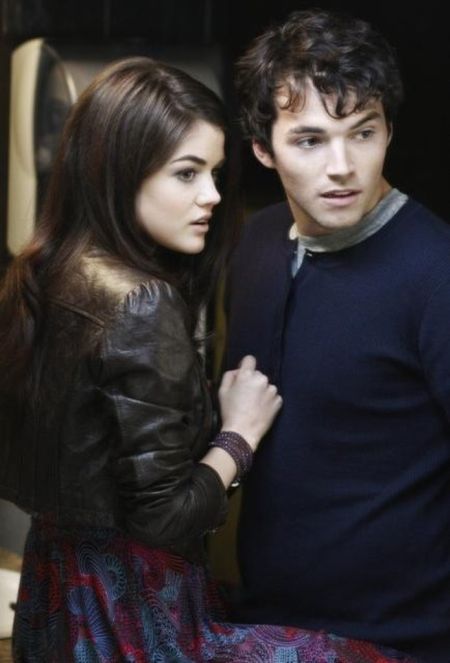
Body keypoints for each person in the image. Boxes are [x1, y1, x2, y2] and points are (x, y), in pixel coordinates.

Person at [0, 56, 414, 662]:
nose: (213, 196)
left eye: (215, 173)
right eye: (187, 174)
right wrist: (238, 435)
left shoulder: (40, 273)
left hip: (55, 598)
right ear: (118, 171)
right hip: (132, 620)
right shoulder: (141, 301)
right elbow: (165, 518)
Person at [225, 8, 450, 663]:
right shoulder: (257, 241)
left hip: (400, 641)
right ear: (263, 148)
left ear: (388, 132)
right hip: (268, 626)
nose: (343, 166)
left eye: (364, 133)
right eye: (310, 140)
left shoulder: (436, 271)